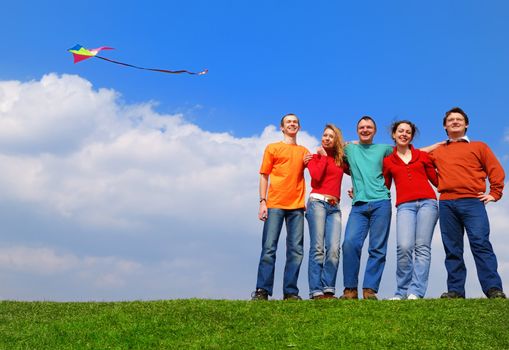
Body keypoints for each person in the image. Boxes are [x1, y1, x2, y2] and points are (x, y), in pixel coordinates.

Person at [429, 107, 506, 299]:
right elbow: (412, 155)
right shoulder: (438, 151)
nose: (455, 122)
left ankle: (493, 289)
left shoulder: (479, 147)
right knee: (452, 248)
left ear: (466, 124)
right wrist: (434, 146)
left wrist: (494, 193)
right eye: (451, 120)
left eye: (459, 119)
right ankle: (455, 290)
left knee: (480, 243)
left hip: (473, 202)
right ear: (445, 126)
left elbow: (495, 170)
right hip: (447, 203)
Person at [251, 113, 310, 301]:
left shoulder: (304, 152)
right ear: (282, 128)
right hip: (275, 203)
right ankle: (262, 290)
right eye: (288, 122)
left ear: (298, 127)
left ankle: (290, 292)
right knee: (269, 248)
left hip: (297, 206)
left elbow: (320, 172)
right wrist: (262, 201)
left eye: (295, 122)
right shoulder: (273, 148)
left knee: (296, 250)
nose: (292, 124)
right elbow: (264, 175)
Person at [383, 120, 439, 300]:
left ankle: (416, 292)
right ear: (394, 134)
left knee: (422, 247)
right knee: (404, 246)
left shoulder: (422, 156)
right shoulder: (388, 161)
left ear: (412, 136)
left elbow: (437, 181)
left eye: (408, 132)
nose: (404, 134)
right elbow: (383, 186)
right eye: (401, 131)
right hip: (405, 205)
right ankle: (401, 292)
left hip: (428, 203)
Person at [340, 116, 394, 300]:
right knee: (349, 243)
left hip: (381, 202)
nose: (365, 129)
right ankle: (350, 289)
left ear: (375, 131)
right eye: (361, 127)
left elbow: (406, 151)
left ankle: (369, 289)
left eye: (369, 127)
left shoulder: (384, 149)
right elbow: (331, 144)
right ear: (357, 130)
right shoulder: (350, 149)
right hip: (359, 205)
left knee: (377, 247)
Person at [305, 124, 347, 300]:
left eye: (331, 136)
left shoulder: (340, 160)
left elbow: (358, 173)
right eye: (325, 135)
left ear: (336, 139)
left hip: (334, 206)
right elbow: (316, 177)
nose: (327, 138)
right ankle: (316, 291)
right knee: (317, 248)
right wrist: (321, 157)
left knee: (334, 248)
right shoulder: (313, 157)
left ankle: (328, 289)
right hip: (317, 204)